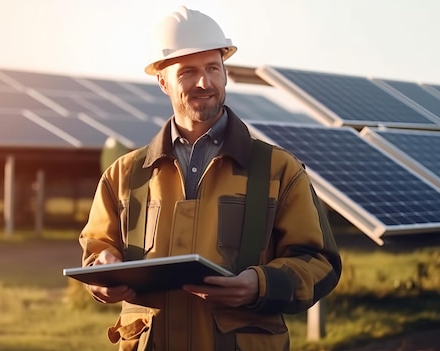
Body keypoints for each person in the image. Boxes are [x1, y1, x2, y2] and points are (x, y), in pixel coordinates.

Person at [78, 6, 341, 351]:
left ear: (225, 72)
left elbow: (320, 262)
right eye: (188, 72)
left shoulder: (280, 170)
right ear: (162, 81)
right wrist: (102, 274)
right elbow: (97, 250)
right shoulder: (124, 175)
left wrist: (260, 284)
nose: (205, 82)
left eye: (213, 68)